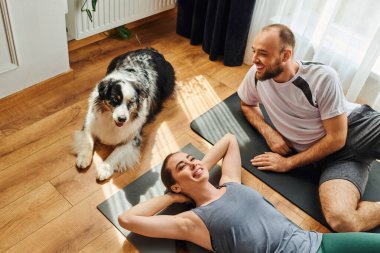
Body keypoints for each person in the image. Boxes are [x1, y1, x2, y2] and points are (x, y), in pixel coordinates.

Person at [118, 134, 380, 253]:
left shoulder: (230, 182)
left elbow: (230, 140)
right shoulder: (191, 222)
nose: (193, 163)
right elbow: (128, 219)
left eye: (191, 158)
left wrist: (200, 168)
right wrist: (173, 197)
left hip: (318, 243)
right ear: (175, 185)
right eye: (181, 167)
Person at [237, 23, 380, 232]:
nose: (254, 60)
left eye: (263, 54)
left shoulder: (322, 77)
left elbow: (337, 138)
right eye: (254, 51)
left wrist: (288, 163)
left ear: (286, 55)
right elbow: (246, 104)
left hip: (358, 127)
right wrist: (269, 132)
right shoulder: (257, 75)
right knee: (342, 221)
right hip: (332, 158)